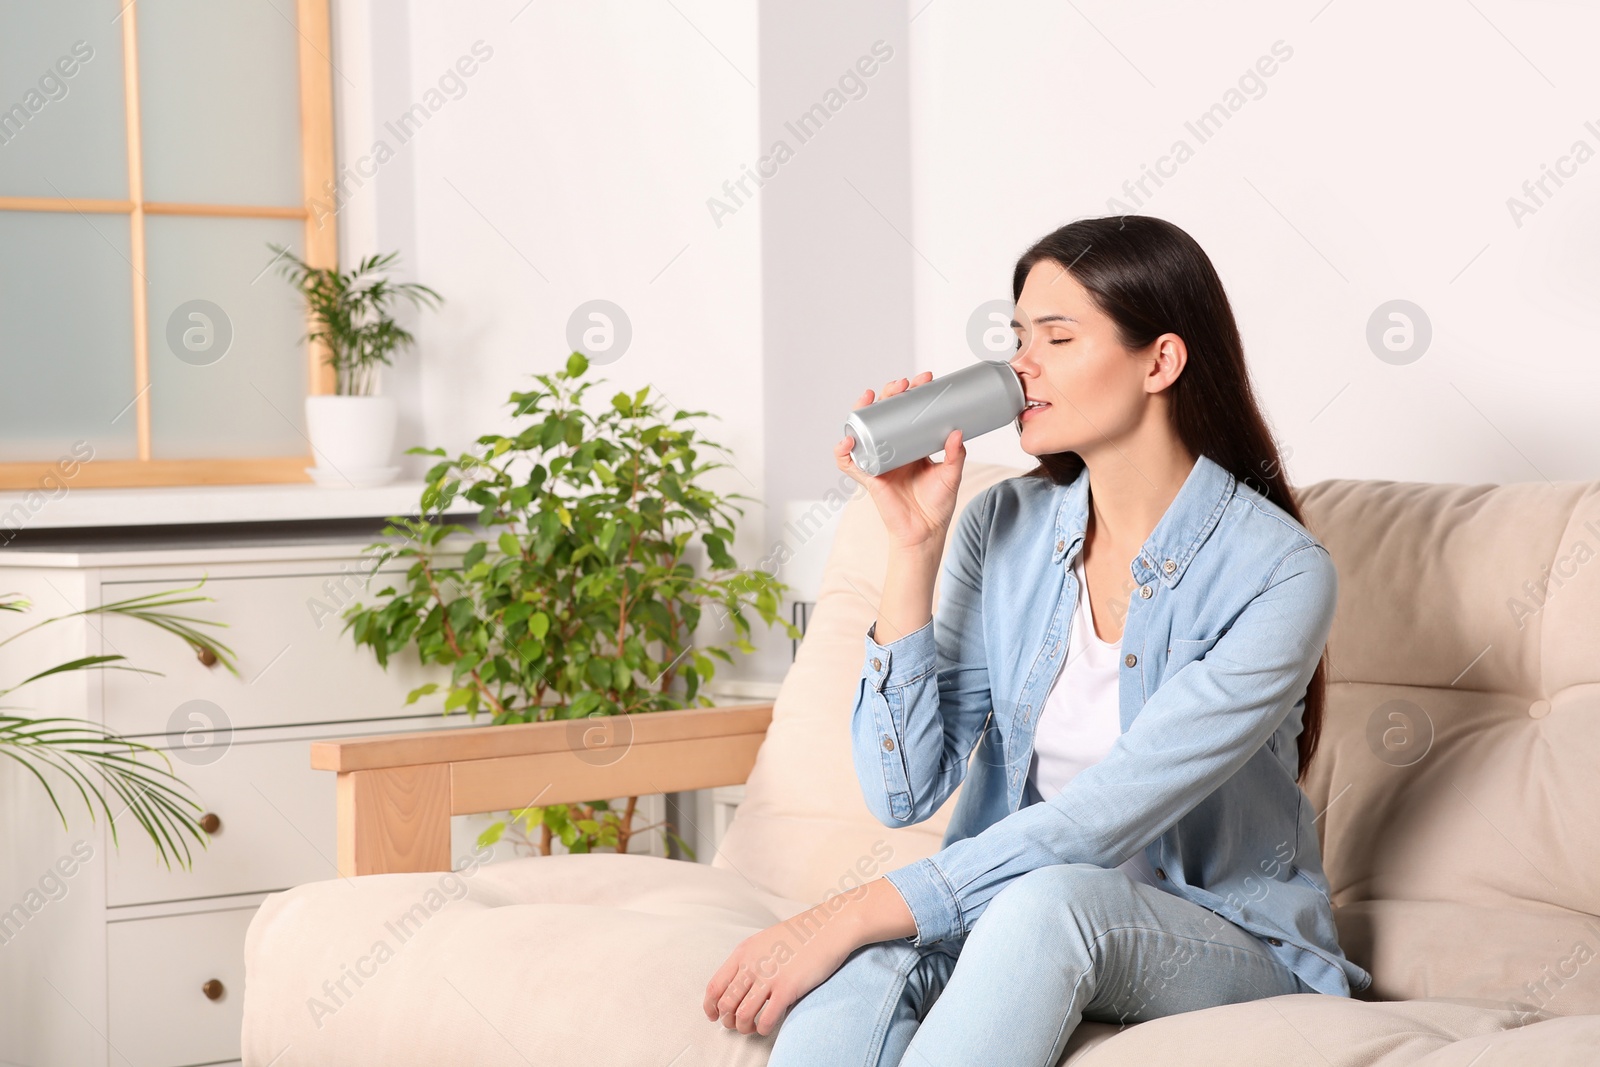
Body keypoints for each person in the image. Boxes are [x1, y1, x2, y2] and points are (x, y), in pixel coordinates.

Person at [703, 215, 1373, 1065]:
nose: (1022, 364)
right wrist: (913, 545)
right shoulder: (1004, 524)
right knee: (867, 964)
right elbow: (901, 790)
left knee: (1038, 902)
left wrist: (863, 902)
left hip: (1225, 939)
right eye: (1019, 336)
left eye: (1057, 336)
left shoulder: (1279, 572)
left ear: (1160, 361)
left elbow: (1104, 815)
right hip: (1014, 909)